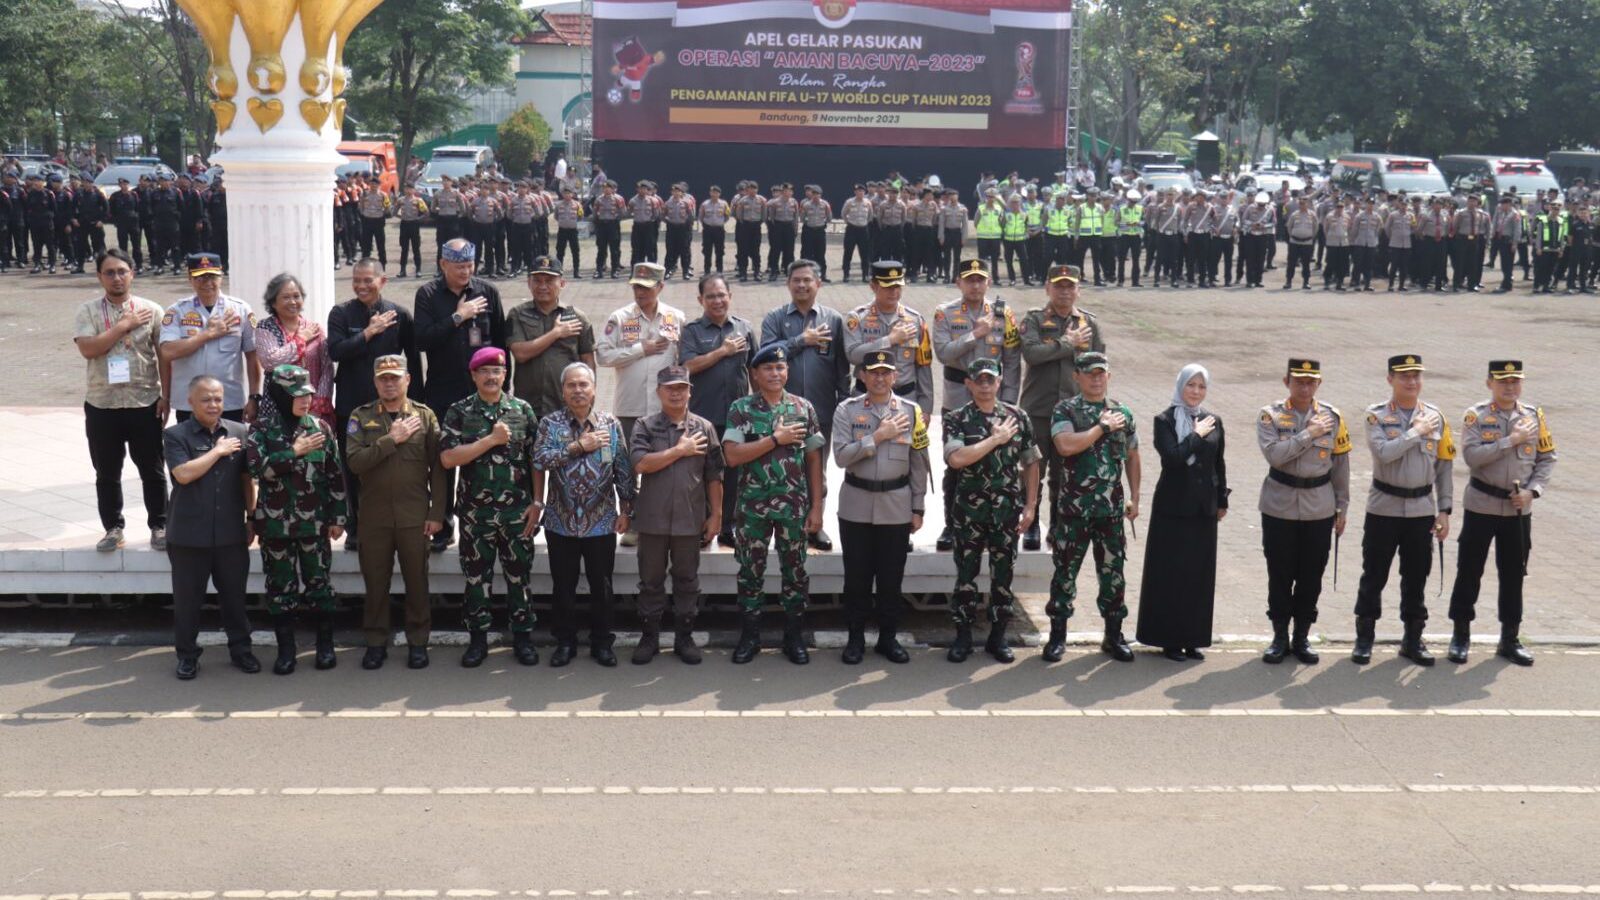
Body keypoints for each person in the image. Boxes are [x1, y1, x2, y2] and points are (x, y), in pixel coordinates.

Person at [1446, 360, 1556, 666]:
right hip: (1481, 504)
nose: (1510, 387)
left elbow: (1547, 459)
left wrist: (1532, 491)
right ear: (1489, 384)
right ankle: (1460, 634)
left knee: (1513, 574)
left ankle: (1510, 638)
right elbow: (1472, 457)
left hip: (1518, 509)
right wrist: (1511, 441)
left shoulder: (1535, 416)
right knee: (1470, 570)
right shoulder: (1477, 416)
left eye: (1515, 382)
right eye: (1503, 381)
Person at [722, 342, 826, 664]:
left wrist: (817, 506)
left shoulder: (803, 408)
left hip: (793, 508)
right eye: (768, 368)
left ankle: (793, 638)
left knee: (795, 573)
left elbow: (813, 458)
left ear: (787, 371)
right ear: (755, 373)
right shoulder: (741, 409)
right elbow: (732, 456)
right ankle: (749, 638)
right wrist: (774, 440)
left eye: (780, 368)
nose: (775, 373)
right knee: (750, 572)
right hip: (753, 507)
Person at [1351, 354, 1454, 666]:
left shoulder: (1436, 416)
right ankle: (1364, 636)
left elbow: (1444, 467)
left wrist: (1445, 509)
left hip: (1422, 509)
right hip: (1385, 507)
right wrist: (1415, 432)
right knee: (1375, 575)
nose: (1411, 382)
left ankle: (1412, 638)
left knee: (1416, 576)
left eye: (1416, 376)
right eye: (1404, 376)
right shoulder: (1377, 415)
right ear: (1390, 379)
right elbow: (1384, 453)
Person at [345, 354, 446, 671]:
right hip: (374, 516)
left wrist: (437, 512)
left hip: (414, 514)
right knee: (376, 583)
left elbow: (439, 469)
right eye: (383, 378)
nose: (389, 383)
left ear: (408, 380)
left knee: (417, 581)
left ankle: (418, 641)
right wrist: (392, 439)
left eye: (395, 377)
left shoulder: (425, 416)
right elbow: (355, 462)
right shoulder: (360, 417)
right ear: (375, 382)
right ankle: (376, 642)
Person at [441, 347, 539, 668]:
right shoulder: (459, 411)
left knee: (518, 578)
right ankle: (478, 641)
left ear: (504, 374)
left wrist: (538, 502)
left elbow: (535, 461)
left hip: (516, 513)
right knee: (476, 580)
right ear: (473, 375)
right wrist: (490, 440)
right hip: (475, 514)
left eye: (496, 371)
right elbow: (448, 458)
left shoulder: (522, 410)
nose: (491, 377)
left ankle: (522, 638)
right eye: (484, 371)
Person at [246, 364, 348, 675]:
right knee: (280, 588)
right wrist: (294, 451)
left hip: (314, 524)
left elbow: (334, 475)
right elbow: (256, 469)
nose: (305, 401)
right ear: (279, 395)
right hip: (275, 526)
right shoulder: (261, 429)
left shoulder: (320, 428)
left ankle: (325, 647)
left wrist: (338, 516)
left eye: (308, 395)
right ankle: (286, 650)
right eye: (297, 395)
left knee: (319, 586)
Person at [530, 362, 633, 667]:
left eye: (583, 385)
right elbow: (539, 460)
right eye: (571, 385)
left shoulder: (610, 424)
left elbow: (623, 470)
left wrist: (626, 509)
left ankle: (602, 643)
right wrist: (577, 447)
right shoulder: (550, 424)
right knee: (563, 587)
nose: (578, 390)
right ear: (562, 391)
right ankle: (565, 642)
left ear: (594, 389)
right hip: (560, 522)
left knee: (602, 587)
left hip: (601, 522)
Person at [833, 349, 929, 664]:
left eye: (886, 372)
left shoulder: (912, 412)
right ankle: (855, 639)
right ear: (862, 375)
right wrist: (877, 436)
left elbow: (919, 462)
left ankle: (888, 639)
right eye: (873, 372)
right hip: (856, 505)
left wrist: (918, 507)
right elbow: (841, 457)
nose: (879, 377)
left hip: (896, 506)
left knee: (891, 578)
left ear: (895, 376)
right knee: (857, 578)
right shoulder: (846, 411)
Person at [1046, 351, 1141, 662]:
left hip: (1110, 512)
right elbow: (1065, 445)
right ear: (1077, 377)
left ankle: (1113, 635)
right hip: (1074, 511)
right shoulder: (1066, 410)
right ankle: (1057, 636)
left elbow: (1132, 455)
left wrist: (1135, 496)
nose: (1097, 378)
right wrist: (1101, 427)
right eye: (1090, 373)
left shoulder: (1122, 413)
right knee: (1065, 575)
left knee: (1113, 575)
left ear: (1109, 377)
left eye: (1101, 373)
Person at [943, 356, 1039, 662]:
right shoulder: (957, 418)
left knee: (1003, 577)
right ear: (968, 384)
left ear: (1000, 382)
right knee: (966, 577)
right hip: (969, 512)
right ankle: (963, 637)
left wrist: (1031, 505)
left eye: (991, 379)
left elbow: (1032, 462)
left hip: (1006, 511)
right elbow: (956, 459)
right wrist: (994, 440)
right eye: (979, 380)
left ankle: (998, 638)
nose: (985, 385)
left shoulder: (1017, 416)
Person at [414, 238, 507, 552]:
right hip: (442, 390)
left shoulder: (487, 292)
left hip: (482, 393)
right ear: (443, 265)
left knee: (484, 456)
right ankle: (442, 524)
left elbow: (502, 344)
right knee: (442, 461)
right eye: (458, 266)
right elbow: (423, 340)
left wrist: (503, 389)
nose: (465, 272)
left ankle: (482, 520)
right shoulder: (427, 295)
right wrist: (458, 317)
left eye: (469, 265)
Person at [1256, 358, 1351, 665]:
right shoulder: (1270, 416)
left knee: (1312, 575)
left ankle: (1302, 635)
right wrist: (1308, 434)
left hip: (1319, 507)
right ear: (1287, 382)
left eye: (1311, 382)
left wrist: (1342, 506)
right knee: (1280, 573)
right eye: (1299, 381)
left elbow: (1341, 465)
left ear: (1318, 384)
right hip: (1279, 505)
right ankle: (1279, 636)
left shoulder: (1333, 417)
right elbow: (1275, 456)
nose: (1305, 387)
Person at [163, 375, 258, 680]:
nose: (214, 405)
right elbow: (183, 474)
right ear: (190, 402)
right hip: (189, 536)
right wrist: (217, 452)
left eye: (218, 399)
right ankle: (187, 655)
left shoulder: (239, 432)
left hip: (230, 534)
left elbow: (246, 480)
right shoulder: (176, 435)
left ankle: (241, 651)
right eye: (206, 399)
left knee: (234, 599)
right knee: (188, 602)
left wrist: (251, 517)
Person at [75, 249, 168, 553]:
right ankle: (113, 528)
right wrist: (121, 327)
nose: (116, 277)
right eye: (109, 272)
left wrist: (166, 396)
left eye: (122, 271)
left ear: (133, 273)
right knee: (107, 471)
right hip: (103, 404)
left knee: (152, 469)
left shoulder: (152, 309)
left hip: (144, 402)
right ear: (100, 276)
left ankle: (160, 525)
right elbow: (89, 349)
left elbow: (164, 356)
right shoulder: (87, 311)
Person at [630, 366, 724, 664]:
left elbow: (714, 475)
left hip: (689, 519)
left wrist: (717, 514)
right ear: (659, 392)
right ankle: (650, 637)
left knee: (687, 580)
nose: (676, 393)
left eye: (681, 387)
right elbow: (641, 464)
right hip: (653, 520)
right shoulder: (645, 426)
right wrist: (679, 451)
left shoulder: (704, 428)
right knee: (650, 581)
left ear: (690, 391)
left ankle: (685, 636)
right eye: (670, 388)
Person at [1135, 364, 1227, 660]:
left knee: (1198, 575)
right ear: (1180, 386)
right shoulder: (1164, 420)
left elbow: (1218, 463)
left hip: (1203, 509)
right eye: (1191, 385)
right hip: (1173, 508)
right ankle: (1169, 639)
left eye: (1201, 387)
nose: (1195, 392)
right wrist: (1196, 435)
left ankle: (1193, 638)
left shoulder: (1214, 420)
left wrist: (1222, 499)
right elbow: (1173, 458)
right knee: (1171, 574)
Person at [931, 257, 1021, 551]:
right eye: (969, 279)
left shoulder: (1004, 314)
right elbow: (943, 353)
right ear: (959, 283)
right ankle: (950, 524)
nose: (975, 285)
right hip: (958, 396)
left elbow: (1011, 360)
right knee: (956, 464)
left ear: (988, 283)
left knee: (994, 462)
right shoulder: (945, 313)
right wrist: (975, 335)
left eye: (980, 279)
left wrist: (1008, 403)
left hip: (992, 398)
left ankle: (991, 522)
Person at [1018, 264, 1105, 550]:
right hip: (1038, 408)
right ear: (1048, 288)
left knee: (1064, 472)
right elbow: (1031, 353)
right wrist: (1067, 343)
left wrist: (1098, 408)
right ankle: (1030, 524)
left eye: (1070, 286)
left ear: (1078, 290)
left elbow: (1098, 367)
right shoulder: (1033, 319)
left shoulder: (1089, 324)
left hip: (1072, 412)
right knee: (1033, 467)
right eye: (1059, 286)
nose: (1065, 292)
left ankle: (1057, 524)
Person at [159, 252, 260, 423]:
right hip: (189, 403)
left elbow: (252, 356)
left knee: (232, 449)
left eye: (212, 276)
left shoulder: (240, 309)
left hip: (229, 401)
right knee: (192, 449)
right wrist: (207, 335)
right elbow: (167, 352)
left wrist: (254, 396)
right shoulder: (177, 311)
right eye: (200, 277)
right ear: (190, 278)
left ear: (221, 276)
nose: (207, 283)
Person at [506, 254, 596, 420]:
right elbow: (520, 353)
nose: (543, 286)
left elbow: (588, 362)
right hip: (528, 406)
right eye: (537, 281)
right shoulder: (517, 314)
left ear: (562, 284)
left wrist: (589, 399)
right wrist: (556, 333)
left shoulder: (577, 317)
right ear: (529, 283)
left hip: (566, 405)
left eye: (549, 281)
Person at [254, 273, 334, 428]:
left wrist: (318, 402)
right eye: (285, 297)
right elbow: (271, 361)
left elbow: (327, 369)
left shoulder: (314, 329)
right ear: (273, 302)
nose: (292, 302)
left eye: (296, 296)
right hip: (277, 409)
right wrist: (301, 339)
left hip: (312, 409)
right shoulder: (265, 327)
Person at [394, 183, 427, 278]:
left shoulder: (418, 201)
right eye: (407, 188)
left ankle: (418, 270)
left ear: (414, 190)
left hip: (414, 225)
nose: (408, 190)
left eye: (410, 188)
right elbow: (394, 212)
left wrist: (418, 219)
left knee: (416, 248)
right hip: (404, 224)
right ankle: (402, 270)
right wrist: (402, 217)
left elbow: (426, 212)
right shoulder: (401, 200)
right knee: (404, 248)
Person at [698, 184, 730, 275]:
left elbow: (727, 215)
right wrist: (706, 224)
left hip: (719, 230)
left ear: (719, 194)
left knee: (719, 250)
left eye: (716, 192)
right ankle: (707, 271)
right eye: (712, 192)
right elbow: (701, 216)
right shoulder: (705, 204)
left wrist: (721, 222)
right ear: (710, 193)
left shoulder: (724, 204)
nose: (714, 194)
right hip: (708, 230)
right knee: (707, 251)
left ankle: (719, 270)